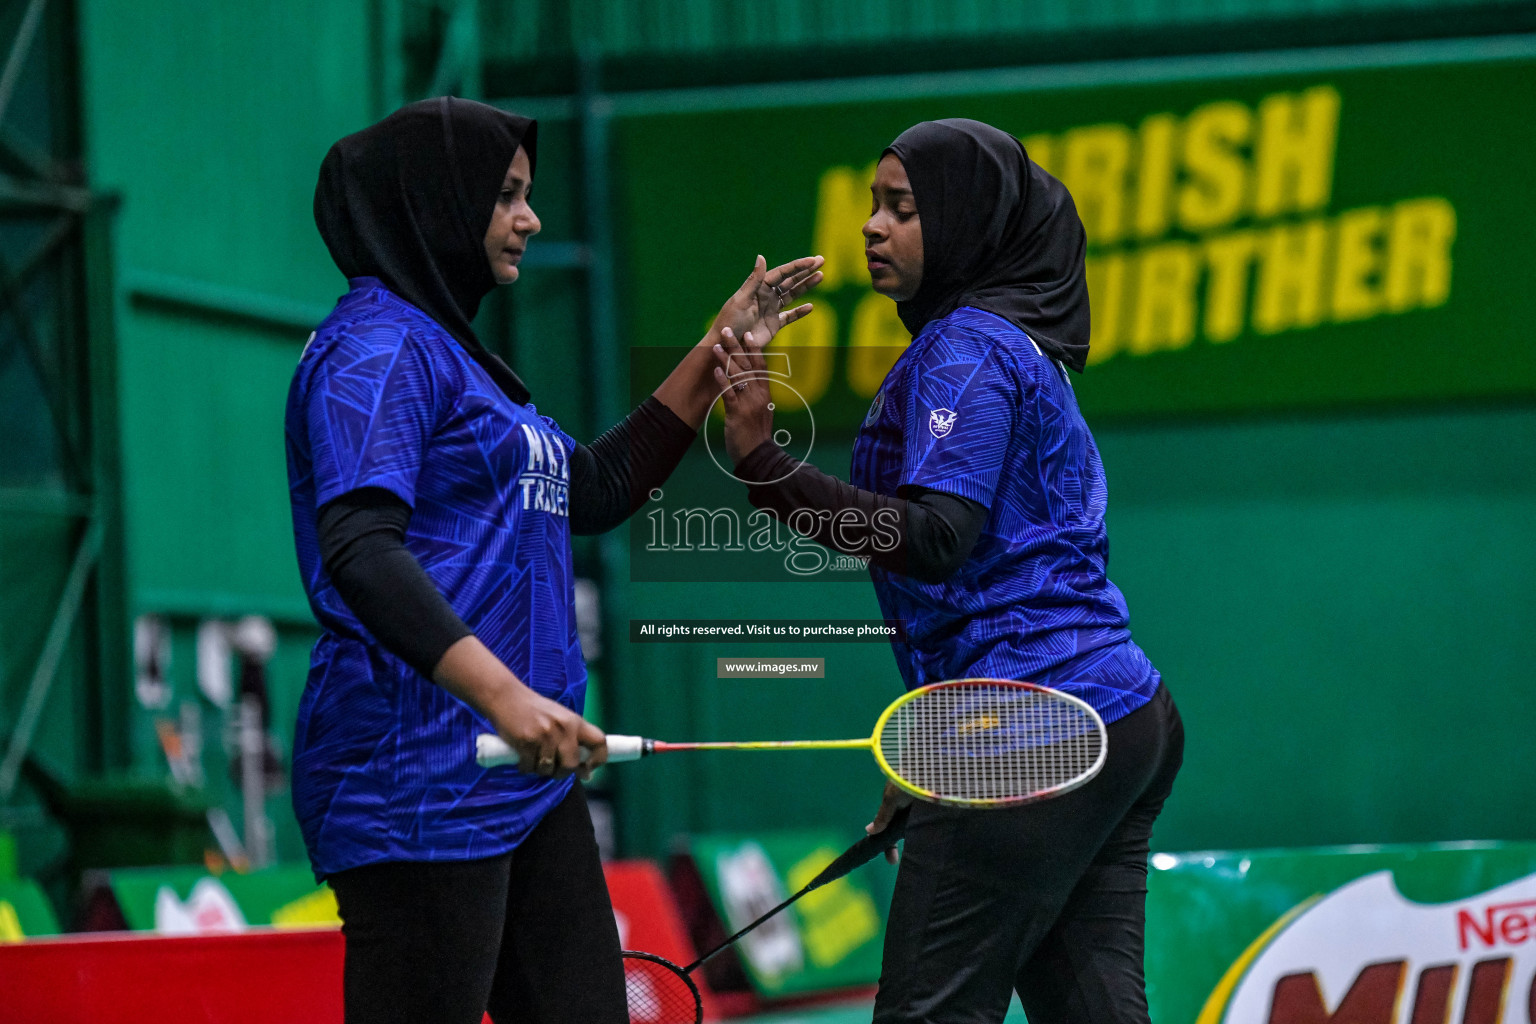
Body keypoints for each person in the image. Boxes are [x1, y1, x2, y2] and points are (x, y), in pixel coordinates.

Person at [286, 96, 822, 1024]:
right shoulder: (373, 351)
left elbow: (596, 488)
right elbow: (360, 552)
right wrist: (506, 697)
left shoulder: (469, 367)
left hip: (523, 785)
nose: (529, 218)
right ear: (434, 201)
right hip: (415, 780)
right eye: (505, 197)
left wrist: (716, 348)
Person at [711, 118, 1184, 1024]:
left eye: (904, 209)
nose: (872, 228)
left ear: (968, 222)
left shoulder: (966, 347)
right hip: (1120, 715)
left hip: (1029, 724)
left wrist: (761, 463)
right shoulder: (1015, 347)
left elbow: (937, 538)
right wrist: (931, 744)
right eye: (873, 206)